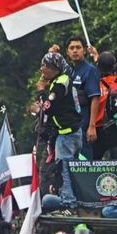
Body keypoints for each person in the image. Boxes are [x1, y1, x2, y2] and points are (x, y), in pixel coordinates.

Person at [37, 52, 82, 211]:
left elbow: (48, 108)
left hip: (67, 134)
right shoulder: (63, 80)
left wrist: (42, 91)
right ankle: (72, 198)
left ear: (54, 68)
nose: (42, 68)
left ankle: (69, 202)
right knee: (71, 168)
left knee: (64, 168)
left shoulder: (59, 84)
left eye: (45, 66)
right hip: (74, 132)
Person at [65, 35, 100, 159]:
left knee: (84, 160)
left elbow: (95, 98)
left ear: (84, 50)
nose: (75, 51)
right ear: (67, 52)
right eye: (72, 48)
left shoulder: (90, 70)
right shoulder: (69, 71)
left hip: (84, 123)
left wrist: (92, 126)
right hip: (71, 124)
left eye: (78, 47)